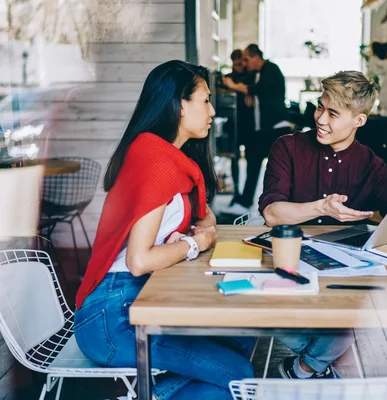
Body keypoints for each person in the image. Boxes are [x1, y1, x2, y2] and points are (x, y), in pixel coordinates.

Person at [74, 60, 254, 399]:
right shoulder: (153, 158)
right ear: (180, 105)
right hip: (113, 315)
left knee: (240, 338)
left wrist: (193, 236)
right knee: (237, 374)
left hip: (138, 297)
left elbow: (207, 220)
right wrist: (192, 245)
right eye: (205, 99)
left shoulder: (169, 158)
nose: (212, 110)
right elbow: (139, 261)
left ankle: (149, 395)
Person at [258, 70, 387, 379]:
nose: (320, 119)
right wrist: (321, 207)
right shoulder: (288, 147)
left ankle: (306, 367)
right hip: (290, 270)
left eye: (333, 113)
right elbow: (272, 213)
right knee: (260, 310)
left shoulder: (369, 162)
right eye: (319, 106)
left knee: (369, 306)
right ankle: (324, 359)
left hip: (344, 281)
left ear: (358, 121)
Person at [221, 44, 291, 216]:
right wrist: (247, 92)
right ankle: (245, 203)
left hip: (275, 127)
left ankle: (275, 205)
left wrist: (233, 85)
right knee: (253, 162)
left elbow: (256, 89)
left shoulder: (271, 70)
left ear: (255, 57)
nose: (244, 63)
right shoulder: (258, 73)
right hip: (262, 129)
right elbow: (251, 87)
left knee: (276, 168)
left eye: (246, 59)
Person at [224, 49, 255, 202]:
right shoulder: (228, 78)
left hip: (249, 124)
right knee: (234, 158)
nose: (239, 65)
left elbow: (253, 90)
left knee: (250, 160)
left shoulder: (251, 77)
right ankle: (236, 191)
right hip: (234, 124)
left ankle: (245, 194)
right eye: (236, 63)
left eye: (241, 62)